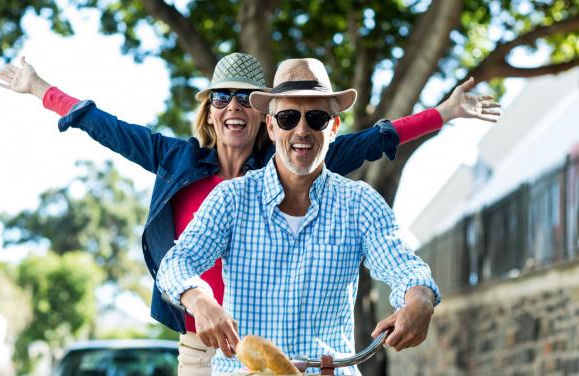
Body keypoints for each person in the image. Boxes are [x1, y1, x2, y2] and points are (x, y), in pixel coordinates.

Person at [0, 53, 498, 375]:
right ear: (214, 110)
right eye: (222, 96)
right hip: (210, 342)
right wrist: (41, 87)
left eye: (315, 118)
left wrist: (444, 114)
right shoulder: (189, 168)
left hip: (322, 362)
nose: (301, 129)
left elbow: (376, 142)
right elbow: (104, 126)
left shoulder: (328, 176)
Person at [157, 58, 443, 375]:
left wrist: (420, 300)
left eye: (316, 118)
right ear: (270, 125)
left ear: (334, 127)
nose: (301, 130)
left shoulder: (359, 203)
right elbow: (176, 262)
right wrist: (199, 300)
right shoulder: (232, 198)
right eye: (288, 117)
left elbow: (403, 265)